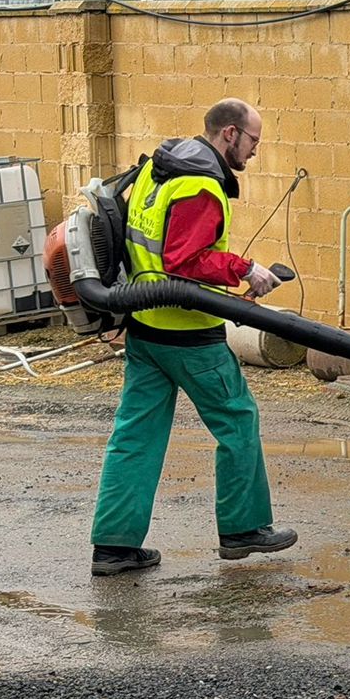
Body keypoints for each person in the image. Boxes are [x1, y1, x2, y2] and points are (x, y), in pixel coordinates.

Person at [90, 98, 299, 576]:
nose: (253, 152)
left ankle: (114, 547)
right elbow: (184, 261)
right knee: (238, 420)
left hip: (143, 324)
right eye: (252, 142)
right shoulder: (201, 184)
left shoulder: (157, 167)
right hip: (189, 333)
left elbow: (139, 244)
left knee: (135, 437)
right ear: (229, 134)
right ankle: (244, 529)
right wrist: (246, 268)